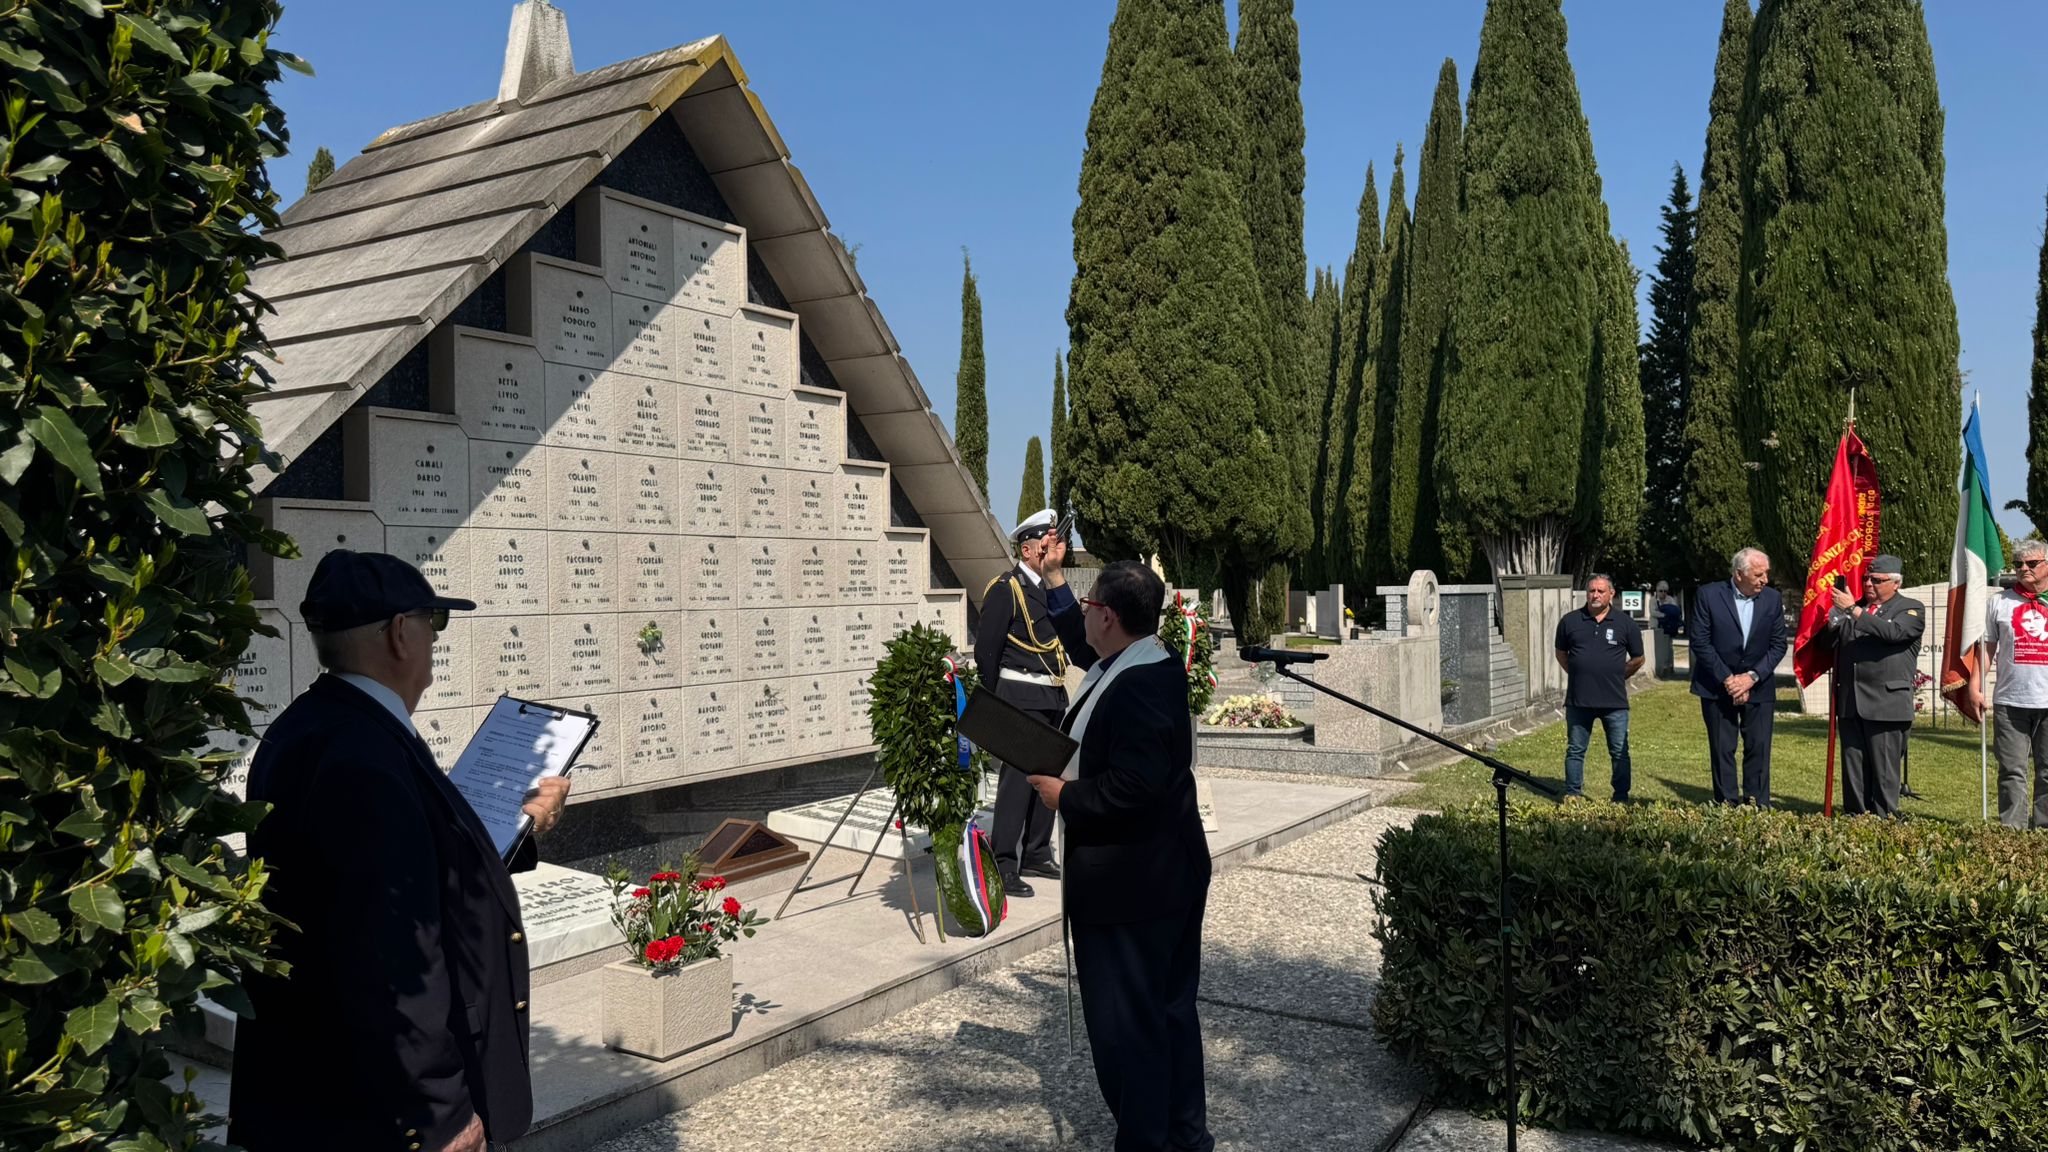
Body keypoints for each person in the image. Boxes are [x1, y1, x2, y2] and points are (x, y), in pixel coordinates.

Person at [230, 551, 571, 1152]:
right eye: (433, 622)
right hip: (369, 1110)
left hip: (321, 1084)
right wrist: (442, 1114)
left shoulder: (314, 724)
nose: (435, 641)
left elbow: (402, 870)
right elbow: (388, 954)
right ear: (399, 633)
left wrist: (521, 825)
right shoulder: (364, 757)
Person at [1026, 560, 1212, 1152]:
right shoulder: (1137, 658)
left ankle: (1148, 1140)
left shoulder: (1138, 684)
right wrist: (1056, 581)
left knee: (1129, 1028)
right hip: (1160, 874)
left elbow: (1136, 787)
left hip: (1135, 887)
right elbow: (1082, 645)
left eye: (1088, 606)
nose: (1083, 616)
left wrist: (1064, 797)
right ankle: (1185, 1136)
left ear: (1107, 615)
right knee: (1168, 1013)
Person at [976, 508, 1088, 897]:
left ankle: (1037, 852)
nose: (1050, 550)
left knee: (1050, 778)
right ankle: (1005, 860)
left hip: (1053, 693)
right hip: (1019, 697)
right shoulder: (1006, 589)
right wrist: (999, 703)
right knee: (1017, 785)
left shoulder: (1052, 590)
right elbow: (987, 652)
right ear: (1026, 550)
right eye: (1044, 544)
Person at [1824, 554, 1925, 817]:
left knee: (1884, 771)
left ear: (1895, 583)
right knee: (1854, 768)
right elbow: (1830, 646)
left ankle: (1884, 820)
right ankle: (1856, 818)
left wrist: (1852, 611)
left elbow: (1894, 633)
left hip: (1886, 704)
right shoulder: (1855, 608)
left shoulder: (1910, 608)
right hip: (1851, 701)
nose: (1869, 584)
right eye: (1866, 578)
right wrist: (1834, 620)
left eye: (1877, 580)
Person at [1689, 547, 1789, 807]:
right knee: (1722, 748)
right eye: (1758, 574)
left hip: (1759, 685)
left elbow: (1778, 644)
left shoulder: (1772, 599)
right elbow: (1700, 642)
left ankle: (1757, 804)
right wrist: (1729, 679)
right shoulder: (1709, 595)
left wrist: (1751, 677)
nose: (1764, 580)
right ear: (1738, 574)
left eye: (1766, 573)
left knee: (1758, 747)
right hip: (1716, 685)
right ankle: (1727, 805)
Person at [1970, 538, 2048, 828]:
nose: (2023, 568)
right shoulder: (2000, 602)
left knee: (2047, 771)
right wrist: (1975, 686)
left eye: (2032, 563)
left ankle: (2043, 831)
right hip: (2010, 701)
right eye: (2018, 564)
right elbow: (1986, 649)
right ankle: (2012, 833)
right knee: (2011, 771)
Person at [1552, 573, 1645, 801]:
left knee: (1619, 752)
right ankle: (1573, 794)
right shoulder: (1570, 621)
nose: (1595, 595)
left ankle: (1621, 797)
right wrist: (1578, 672)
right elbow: (1561, 653)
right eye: (1591, 591)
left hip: (1614, 702)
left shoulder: (1625, 624)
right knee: (1575, 750)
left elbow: (1638, 658)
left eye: (1600, 591)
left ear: (1611, 594)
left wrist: (1617, 675)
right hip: (1579, 700)